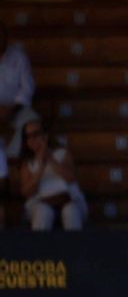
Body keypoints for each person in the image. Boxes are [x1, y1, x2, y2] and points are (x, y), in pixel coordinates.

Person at [19, 118, 86, 231]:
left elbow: (71, 178)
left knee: (70, 211)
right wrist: (40, 166)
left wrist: (49, 157)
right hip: (40, 203)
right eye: (28, 136)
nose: (32, 139)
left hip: (69, 199)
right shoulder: (27, 164)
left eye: (36, 134)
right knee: (43, 212)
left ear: (45, 135)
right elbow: (27, 192)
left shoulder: (63, 154)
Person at [0, 21, 37, 159]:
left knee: (32, 121)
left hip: (15, 108)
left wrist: (11, 109)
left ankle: (12, 159)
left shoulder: (19, 57)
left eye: (2, 35)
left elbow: (28, 88)